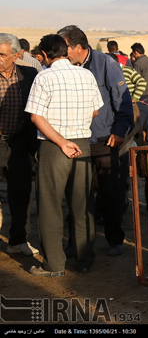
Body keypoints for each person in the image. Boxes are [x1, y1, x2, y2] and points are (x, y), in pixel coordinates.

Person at [25, 34, 103, 276]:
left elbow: (36, 116)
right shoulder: (86, 74)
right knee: (82, 204)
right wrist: (75, 129)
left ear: (46, 55)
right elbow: (95, 111)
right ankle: (85, 259)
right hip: (82, 144)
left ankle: (54, 264)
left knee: (50, 206)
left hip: (54, 145)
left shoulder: (44, 76)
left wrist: (61, 140)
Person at [58, 25, 134, 257]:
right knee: (77, 193)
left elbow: (123, 100)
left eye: (65, 47)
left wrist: (120, 130)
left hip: (104, 139)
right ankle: (77, 243)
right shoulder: (63, 67)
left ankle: (114, 238)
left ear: (78, 48)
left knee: (110, 191)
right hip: (75, 140)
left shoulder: (106, 64)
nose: (62, 52)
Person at [0, 33, 39, 256]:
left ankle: (17, 240)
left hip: (19, 143)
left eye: (2, 55)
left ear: (15, 56)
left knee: (21, 193)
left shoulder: (30, 74)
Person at [131, 42, 148, 144]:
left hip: (142, 97)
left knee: (139, 124)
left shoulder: (138, 64)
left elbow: (137, 81)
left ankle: (140, 149)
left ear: (136, 53)